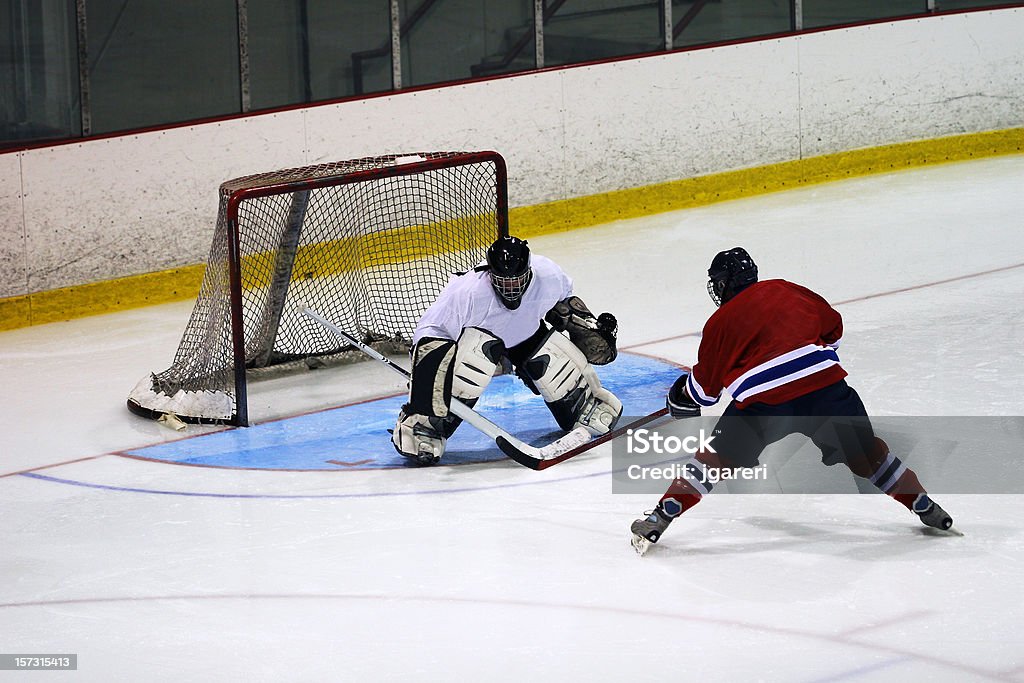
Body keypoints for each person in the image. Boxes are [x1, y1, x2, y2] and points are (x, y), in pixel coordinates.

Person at [630, 247, 954, 555]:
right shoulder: (787, 289)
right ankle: (922, 503)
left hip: (763, 406)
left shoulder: (720, 323)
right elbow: (834, 330)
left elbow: (704, 393)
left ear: (722, 284)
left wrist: (680, 394)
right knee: (868, 456)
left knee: (713, 461)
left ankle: (663, 514)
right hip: (826, 390)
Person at [393, 235, 623, 465]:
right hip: (479, 341)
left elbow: (566, 302)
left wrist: (586, 325)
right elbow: (431, 332)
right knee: (474, 361)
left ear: (529, 271)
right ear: (490, 273)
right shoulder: (467, 293)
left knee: (550, 355)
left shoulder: (548, 274)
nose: (511, 288)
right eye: (503, 280)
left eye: (517, 280)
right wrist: (427, 378)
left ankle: (584, 406)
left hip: (526, 336)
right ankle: (423, 426)